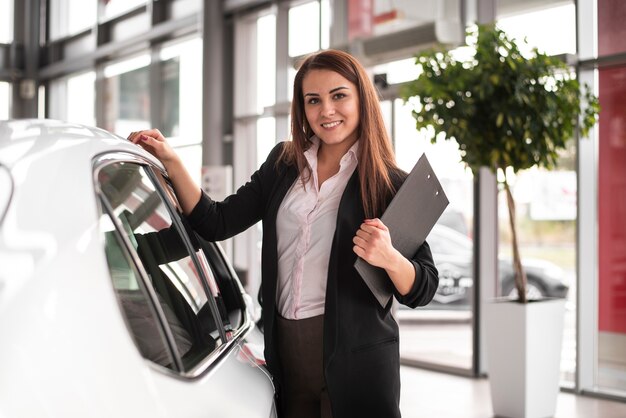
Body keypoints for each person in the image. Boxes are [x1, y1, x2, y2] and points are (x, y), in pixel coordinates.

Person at [128, 49, 439, 418]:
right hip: (286, 350)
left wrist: (389, 257)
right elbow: (217, 222)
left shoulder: (389, 184)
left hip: (357, 358)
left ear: (361, 99)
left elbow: (423, 288)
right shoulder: (283, 164)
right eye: (313, 100)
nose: (326, 111)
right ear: (302, 108)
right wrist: (172, 161)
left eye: (339, 95)